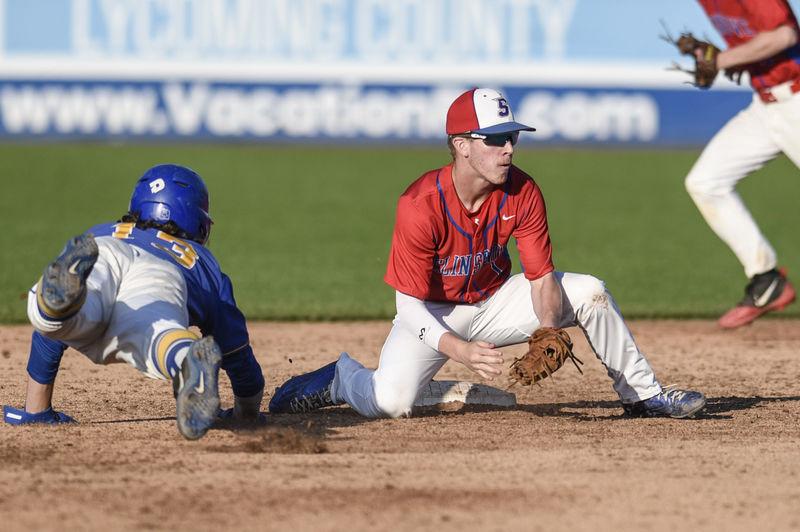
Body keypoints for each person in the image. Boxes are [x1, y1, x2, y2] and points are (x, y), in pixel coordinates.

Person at [268, 88, 706, 420]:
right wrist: (458, 349)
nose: (509, 148)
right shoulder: (420, 205)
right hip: (435, 314)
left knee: (591, 292)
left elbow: (540, 277)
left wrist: (549, 329)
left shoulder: (522, 190)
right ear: (461, 144)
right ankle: (343, 378)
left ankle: (644, 395)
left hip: (496, 301)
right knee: (391, 402)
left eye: (511, 136)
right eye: (495, 139)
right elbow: (408, 305)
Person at [2, 164, 265, 440]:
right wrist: (246, 413)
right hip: (162, 273)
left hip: (106, 251)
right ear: (196, 218)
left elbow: (46, 340)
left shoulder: (105, 230)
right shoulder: (202, 261)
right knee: (154, 333)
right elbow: (237, 353)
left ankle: (53, 309)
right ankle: (184, 358)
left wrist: (36, 411)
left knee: (67, 316)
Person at [685, 0, 798, 329]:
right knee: (706, 182)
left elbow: (784, 36)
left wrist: (721, 59)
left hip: (797, 98)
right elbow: (758, 41)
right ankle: (767, 280)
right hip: (766, 107)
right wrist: (738, 57)